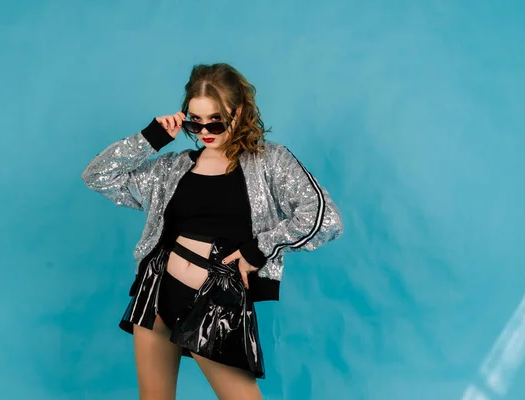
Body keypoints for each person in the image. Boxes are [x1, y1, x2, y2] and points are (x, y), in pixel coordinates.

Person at [81, 63, 343, 400]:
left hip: (216, 301)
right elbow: (98, 175)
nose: (205, 130)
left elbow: (323, 219)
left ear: (237, 113)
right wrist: (151, 139)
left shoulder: (270, 162)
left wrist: (257, 249)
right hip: (158, 292)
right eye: (195, 121)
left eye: (215, 120)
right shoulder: (171, 168)